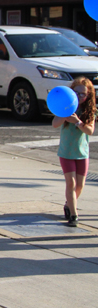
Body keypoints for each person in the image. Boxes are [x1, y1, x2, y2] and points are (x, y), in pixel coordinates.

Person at [52, 77, 95, 227]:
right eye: (76, 93)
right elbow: (55, 124)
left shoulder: (89, 111)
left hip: (82, 153)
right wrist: (65, 116)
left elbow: (90, 131)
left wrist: (78, 122)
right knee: (71, 183)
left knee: (80, 185)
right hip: (66, 152)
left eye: (83, 94)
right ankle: (74, 215)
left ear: (88, 95)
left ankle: (68, 204)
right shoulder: (65, 107)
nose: (79, 96)